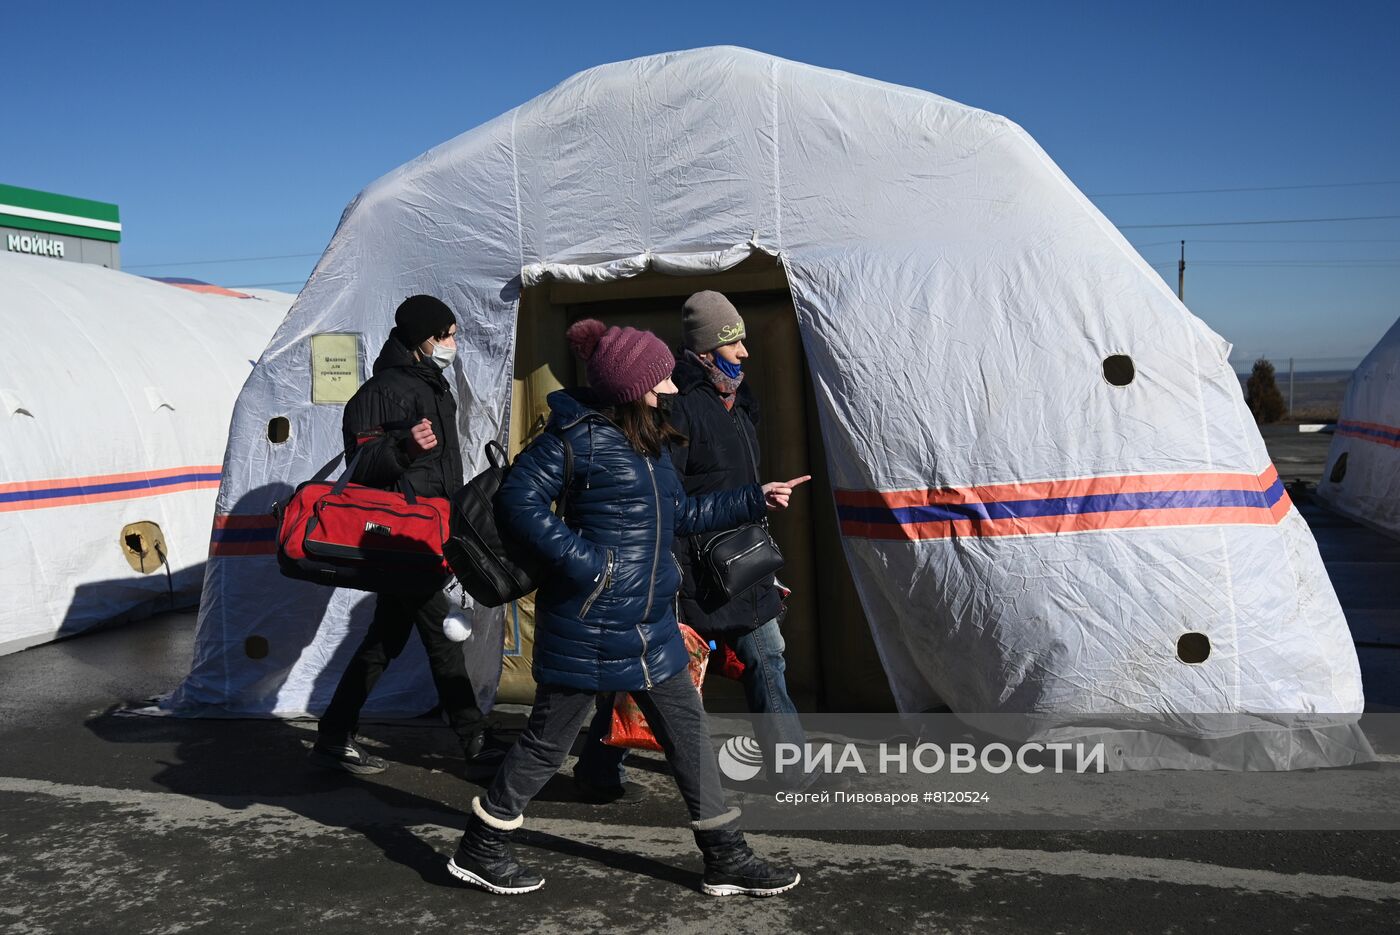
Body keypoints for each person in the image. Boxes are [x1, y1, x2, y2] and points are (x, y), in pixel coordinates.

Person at [446, 318, 809, 897]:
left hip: (650, 623)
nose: (669, 389)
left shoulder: (650, 445)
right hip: (592, 619)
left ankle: (725, 856)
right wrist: (591, 563)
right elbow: (517, 499)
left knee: (688, 733)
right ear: (631, 385)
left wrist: (752, 498)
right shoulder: (578, 437)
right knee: (546, 742)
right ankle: (480, 846)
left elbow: (682, 517)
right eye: (660, 380)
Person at [574, 290, 806, 795]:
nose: (744, 351)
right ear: (705, 350)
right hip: (693, 570)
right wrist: (672, 579)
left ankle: (791, 767)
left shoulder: (741, 402)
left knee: (767, 656)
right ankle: (596, 770)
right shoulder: (678, 407)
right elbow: (668, 500)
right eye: (733, 342)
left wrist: (759, 508)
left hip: (743, 563)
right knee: (650, 675)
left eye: (743, 339)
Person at [310, 295, 502, 780]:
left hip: (430, 527)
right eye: (446, 335)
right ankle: (473, 738)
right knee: (440, 636)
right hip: (400, 535)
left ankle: (334, 734)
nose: (453, 344)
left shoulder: (434, 385)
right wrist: (403, 446)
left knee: (385, 639)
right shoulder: (381, 391)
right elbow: (361, 466)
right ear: (421, 341)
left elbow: (444, 467)